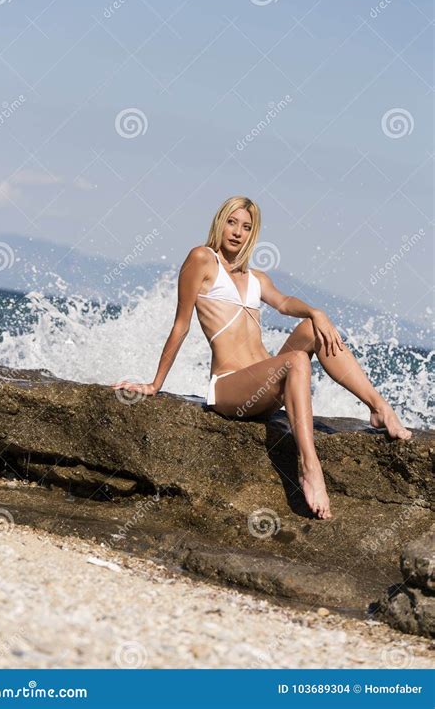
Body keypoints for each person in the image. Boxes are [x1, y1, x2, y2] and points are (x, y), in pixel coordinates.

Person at [112, 196, 412, 520]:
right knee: (296, 360)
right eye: (232, 222)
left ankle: (379, 408)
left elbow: (283, 303)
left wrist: (317, 311)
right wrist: (156, 384)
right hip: (229, 388)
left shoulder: (256, 278)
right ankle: (310, 467)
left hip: (265, 389)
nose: (238, 232)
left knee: (313, 328)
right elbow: (181, 325)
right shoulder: (202, 259)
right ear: (219, 222)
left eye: (246, 226)